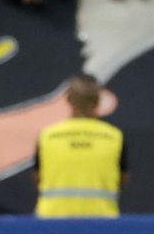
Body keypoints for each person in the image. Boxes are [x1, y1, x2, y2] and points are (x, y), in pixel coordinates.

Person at [35, 74, 127, 217]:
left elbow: (38, 177)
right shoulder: (114, 137)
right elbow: (122, 178)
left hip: (53, 218)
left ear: (69, 100)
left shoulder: (48, 136)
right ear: (98, 101)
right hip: (101, 218)